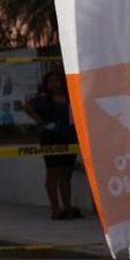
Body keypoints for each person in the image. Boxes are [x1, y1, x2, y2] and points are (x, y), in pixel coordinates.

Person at [23, 69, 82, 220]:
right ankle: (56, 209)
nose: (54, 84)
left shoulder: (69, 97)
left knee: (66, 174)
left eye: (57, 80)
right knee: (53, 173)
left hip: (69, 138)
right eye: (51, 81)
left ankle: (67, 208)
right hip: (51, 139)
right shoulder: (44, 98)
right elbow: (26, 106)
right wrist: (41, 121)